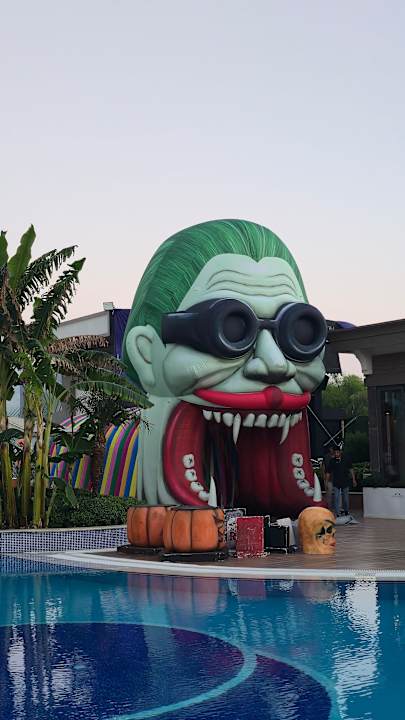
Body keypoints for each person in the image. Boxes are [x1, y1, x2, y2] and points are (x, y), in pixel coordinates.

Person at [326, 446, 356, 517]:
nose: (336, 454)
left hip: (345, 481)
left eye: (337, 452)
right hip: (336, 482)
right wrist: (326, 482)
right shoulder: (332, 461)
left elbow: (351, 469)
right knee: (336, 497)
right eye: (335, 453)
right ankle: (337, 513)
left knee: (345, 498)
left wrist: (354, 479)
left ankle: (346, 511)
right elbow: (328, 472)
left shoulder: (346, 459)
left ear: (340, 452)